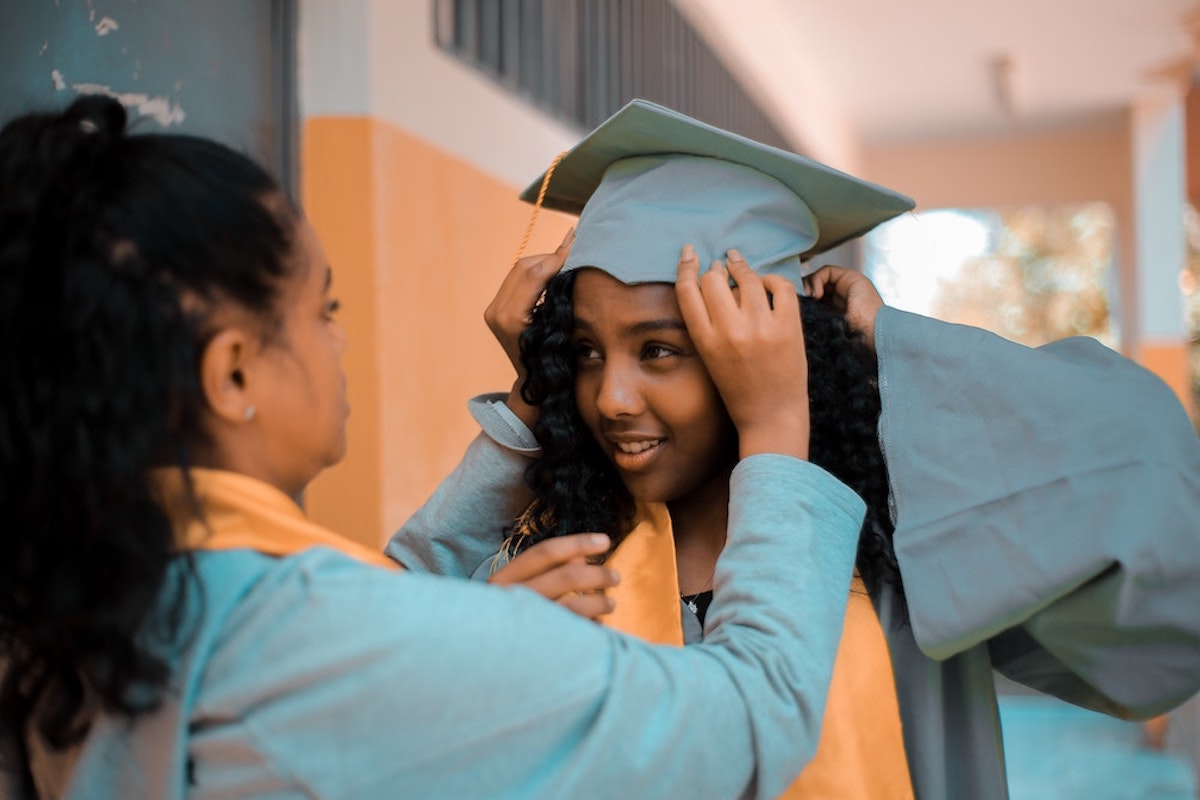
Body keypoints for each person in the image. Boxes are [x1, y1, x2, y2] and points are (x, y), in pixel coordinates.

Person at [0, 96, 870, 799]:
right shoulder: (319, 636)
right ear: (232, 375)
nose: (609, 396)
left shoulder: (85, 601)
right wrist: (774, 430)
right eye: (322, 310)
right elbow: (756, 716)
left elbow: (388, 598)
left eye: (661, 350)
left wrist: (531, 414)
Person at [386, 99, 1200, 800]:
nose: (612, 398)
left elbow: (1150, 484)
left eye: (661, 349)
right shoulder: (559, 563)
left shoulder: (897, 553)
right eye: (587, 352)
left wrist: (891, 345)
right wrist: (532, 397)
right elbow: (386, 649)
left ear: (767, 347)